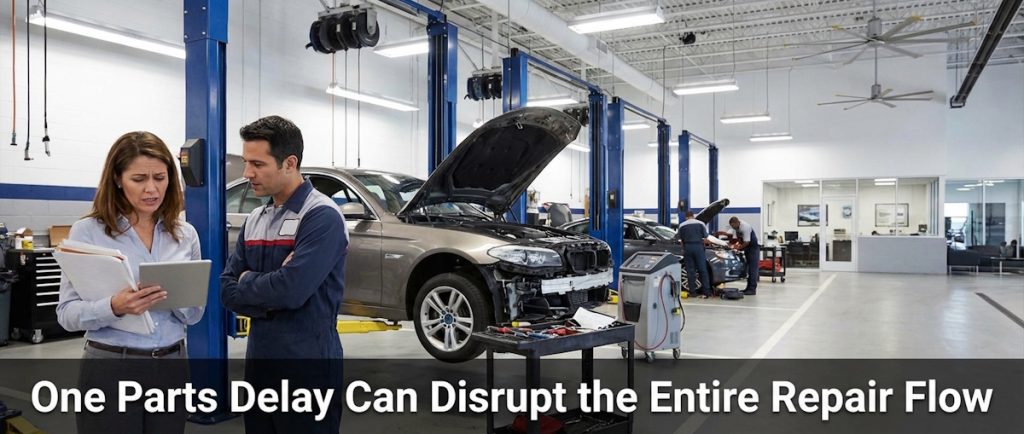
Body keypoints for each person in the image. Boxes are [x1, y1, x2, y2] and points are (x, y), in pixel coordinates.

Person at [56, 131, 205, 434]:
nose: (152, 188)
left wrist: (174, 296)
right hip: (111, 368)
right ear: (117, 179)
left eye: (160, 178)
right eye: (139, 179)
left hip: (171, 366)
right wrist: (114, 306)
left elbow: (194, 314)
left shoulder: (185, 234)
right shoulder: (88, 231)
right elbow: (67, 314)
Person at [220, 116, 348, 433]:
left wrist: (248, 281)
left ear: (289, 163)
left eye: (257, 164)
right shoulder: (255, 219)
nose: (247, 173)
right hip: (260, 363)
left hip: (308, 365)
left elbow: (292, 290)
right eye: (247, 162)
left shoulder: (321, 216)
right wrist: (273, 284)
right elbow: (226, 290)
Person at [675, 211, 713, 298]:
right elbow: (706, 236)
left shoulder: (682, 225)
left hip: (687, 248)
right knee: (702, 269)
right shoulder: (700, 223)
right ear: (693, 216)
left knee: (690, 271)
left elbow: (679, 239)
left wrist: (684, 248)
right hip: (698, 247)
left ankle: (692, 292)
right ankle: (706, 292)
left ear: (686, 217)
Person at [728, 216, 760, 295]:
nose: (733, 228)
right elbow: (739, 239)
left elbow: (746, 242)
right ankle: (748, 288)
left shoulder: (745, 227)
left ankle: (752, 289)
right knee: (748, 269)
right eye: (731, 226)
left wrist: (739, 248)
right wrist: (736, 245)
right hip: (747, 248)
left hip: (753, 248)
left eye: (733, 226)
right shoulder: (737, 227)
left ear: (737, 223)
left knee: (752, 269)